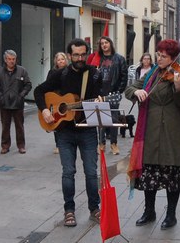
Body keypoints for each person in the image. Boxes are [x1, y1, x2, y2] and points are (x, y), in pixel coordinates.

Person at [125, 39, 180, 230]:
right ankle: (149, 211)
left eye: (164, 56)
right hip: (151, 130)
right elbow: (128, 89)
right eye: (158, 55)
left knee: (172, 174)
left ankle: (171, 215)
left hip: (172, 132)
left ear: (173, 58)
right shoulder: (152, 74)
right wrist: (137, 91)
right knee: (150, 173)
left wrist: (179, 88)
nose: (159, 58)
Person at [34, 38, 102, 227]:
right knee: (68, 172)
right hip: (64, 132)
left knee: (90, 172)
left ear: (87, 53)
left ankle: (94, 208)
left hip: (87, 130)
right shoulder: (60, 74)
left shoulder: (94, 74)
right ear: (70, 55)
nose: (80, 58)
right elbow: (39, 91)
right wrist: (45, 110)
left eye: (83, 54)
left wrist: (100, 101)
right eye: (76, 55)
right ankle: (69, 210)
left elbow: (103, 94)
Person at [0, 50, 32, 154]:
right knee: (5, 126)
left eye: (13, 59)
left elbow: (28, 85)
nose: (11, 61)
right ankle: (5, 146)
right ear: (5, 60)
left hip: (18, 103)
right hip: (4, 103)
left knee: (19, 125)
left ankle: (21, 146)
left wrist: (21, 95)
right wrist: (1, 96)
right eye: (9, 59)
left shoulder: (22, 71)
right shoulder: (0, 72)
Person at [96, 36, 128, 155]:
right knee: (101, 120)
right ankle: (101, 143)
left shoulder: (119, 59)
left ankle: (114, 144)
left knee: (114, 119)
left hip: (113, 93)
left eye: (106, 42)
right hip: (100, 93)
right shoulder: (97, 59)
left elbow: (124, 77)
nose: (104, 45)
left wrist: (119, 91)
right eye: (102, 43)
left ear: (110, 44)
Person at [47, 52, 68, 154]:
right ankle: (58, 145)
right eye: (59, 60)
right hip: (55, 99)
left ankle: (67, 143)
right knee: (56, 121)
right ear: (56, 61)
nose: (61, 61)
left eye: (62, 59)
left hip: (66, 99)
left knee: (66, 121)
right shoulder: (52, 72)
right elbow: (47, 86)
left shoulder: (69, 71)